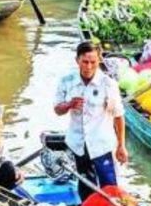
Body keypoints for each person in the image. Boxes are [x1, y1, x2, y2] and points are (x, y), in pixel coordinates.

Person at [54, 40, 128, 197]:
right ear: (77, 60)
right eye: (84, 62)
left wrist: (121, 146)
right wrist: (68, 105)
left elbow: (118, 117)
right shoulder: (67, 81)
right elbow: (57, 110)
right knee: (86, 185)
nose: (88, 67)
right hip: (78, 145)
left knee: (110, 188)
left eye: (93, 62)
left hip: (102, 145)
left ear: (99, 60)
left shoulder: (108, 84)